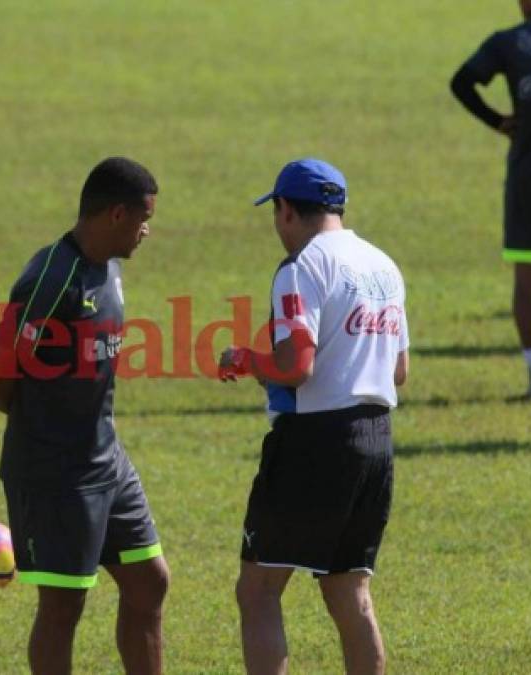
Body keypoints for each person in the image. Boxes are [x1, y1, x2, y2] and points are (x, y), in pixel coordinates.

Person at [0, 157, 169, 675]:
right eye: (143, 216)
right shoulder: (50, 279)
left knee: (149, 582)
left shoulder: (110, 267)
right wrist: (43, 430)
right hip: (56, 471)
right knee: (63, 608)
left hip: (107, 460)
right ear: (115, 214)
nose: (148, 228)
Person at [218, 159, 409, 675]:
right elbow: (400, 370)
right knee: (350, 594)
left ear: (285, 210)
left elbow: (295, 367)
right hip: (376, 441)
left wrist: (245, 359)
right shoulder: (382, 265)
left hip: (315, 442)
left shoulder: (301, 267)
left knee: (258, 591)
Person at [450, 0, 531, 399]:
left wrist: (498, 122)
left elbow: (462, 82)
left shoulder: (509, 42)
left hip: (528, 178)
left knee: (527, 284)